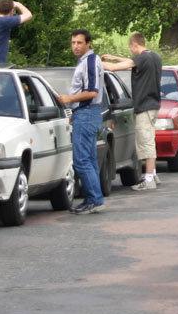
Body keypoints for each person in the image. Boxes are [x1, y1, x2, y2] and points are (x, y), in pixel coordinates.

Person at [102, 32, 162, 190]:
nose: (131, 51)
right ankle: (153, 174)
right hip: (153, 105)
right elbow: (131, 61)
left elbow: (115, 68)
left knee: (145, 142)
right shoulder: (154, 56)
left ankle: (148, 179)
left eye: (131, 48)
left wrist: (95, 62)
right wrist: (115, 57)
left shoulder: (141, 58)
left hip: (144, 106)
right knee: (150, 139)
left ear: (135, 45)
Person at [57, 29, 105, 215]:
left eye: (79, 42)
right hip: (85, 112)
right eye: (73, 43)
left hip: (87, 113)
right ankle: (93, 198)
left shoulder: (91, 61)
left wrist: (69, 99)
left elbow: (92, 91)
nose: (75, 46)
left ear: (88, 44)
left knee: (81, 160)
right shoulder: (85, 62)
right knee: (89, 159)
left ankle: (94, 199)